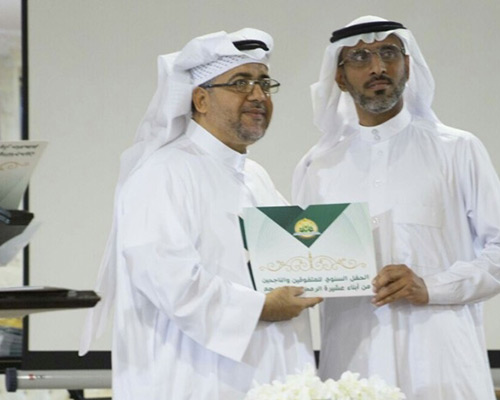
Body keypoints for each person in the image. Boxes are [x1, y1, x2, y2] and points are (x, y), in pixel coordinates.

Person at [293, 15, 500, 399]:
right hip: (352, 367)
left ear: (407, 63)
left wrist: (431, 286)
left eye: (389, 53)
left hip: (442, 366)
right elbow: (303, 264)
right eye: (360, 57)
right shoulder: (317, 166)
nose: (378, 67)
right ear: (339, 76)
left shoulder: (457, 149)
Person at [79, 28, 322, 400]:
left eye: (264, 83)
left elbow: (291, 262)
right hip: (190, 382)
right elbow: (170, 280)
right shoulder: (163, 173)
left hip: (262, 382)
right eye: (240, 83)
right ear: (201, 99)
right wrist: (261, 307)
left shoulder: (255, 177)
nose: (258, 95)